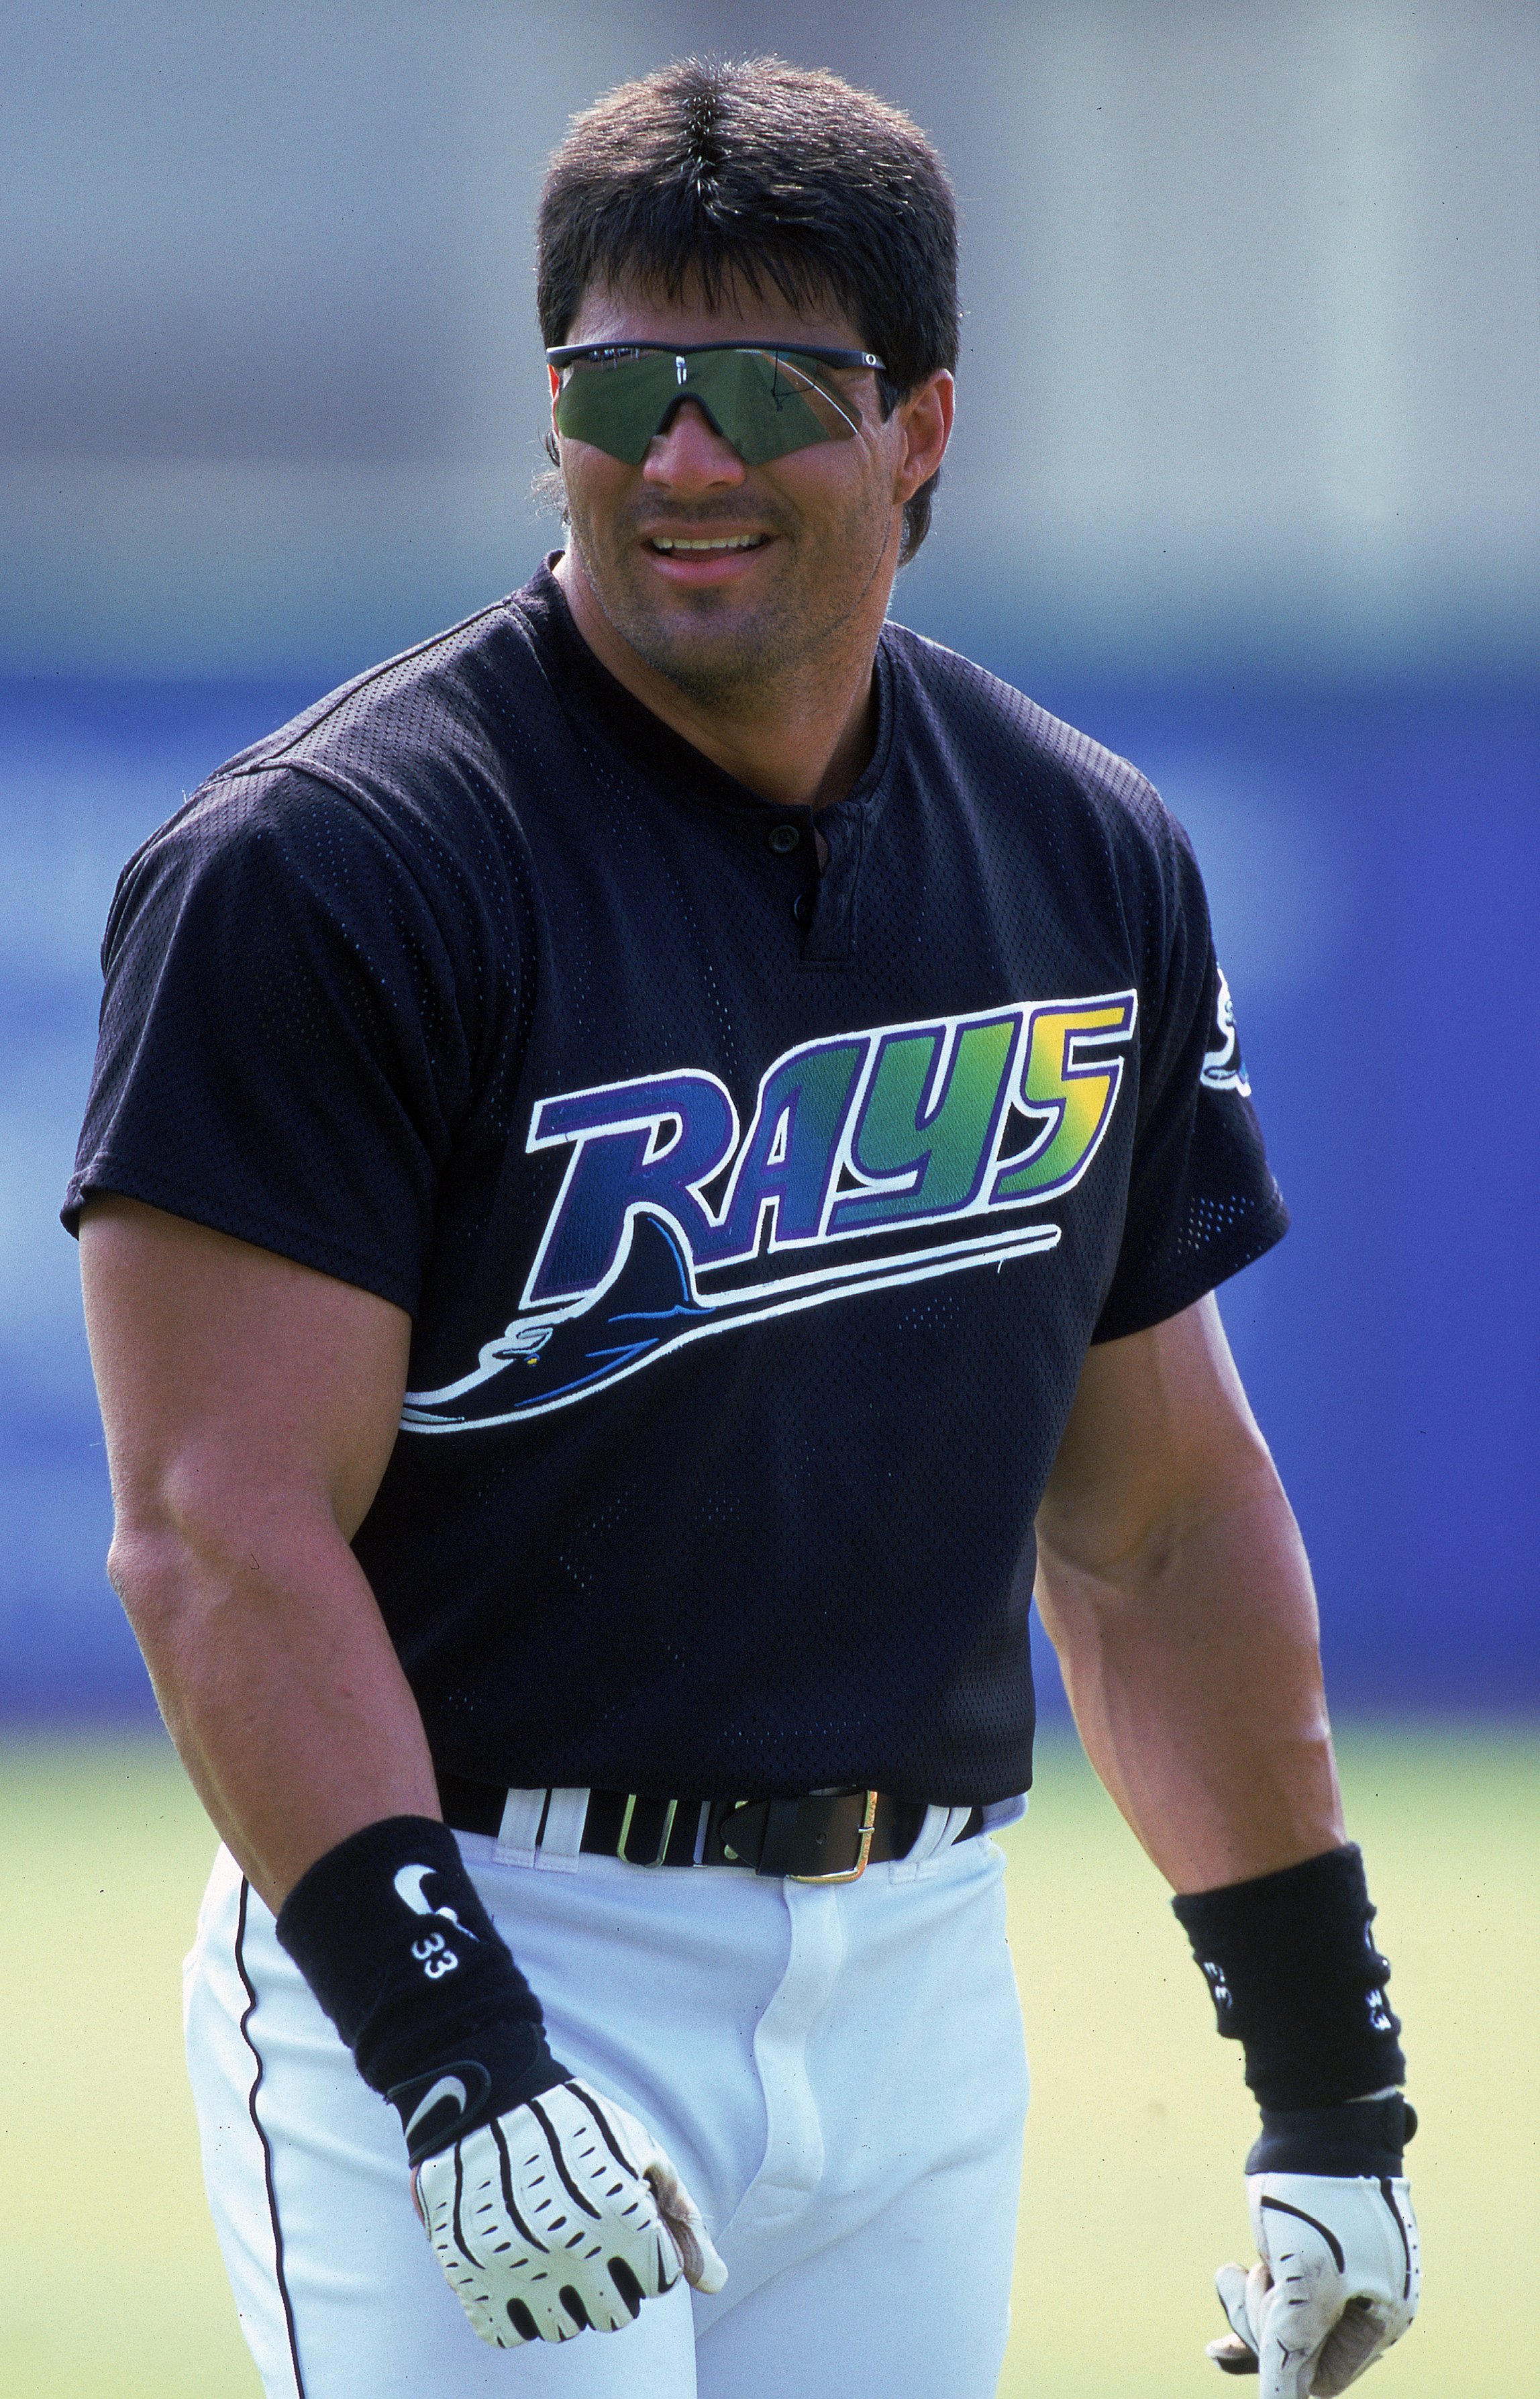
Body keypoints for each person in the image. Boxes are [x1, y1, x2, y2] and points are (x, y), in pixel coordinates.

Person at [68, 56, 1420, 2399]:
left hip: (918, 1983)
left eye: (767, 386)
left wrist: (1331, 2091)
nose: (682, 457)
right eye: (623, 384)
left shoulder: (1084, 854)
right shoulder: (323, 865)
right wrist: (454, 2046)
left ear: (921, 431)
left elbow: (1161, 1520)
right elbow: (218, 1530)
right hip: (484, 1937)